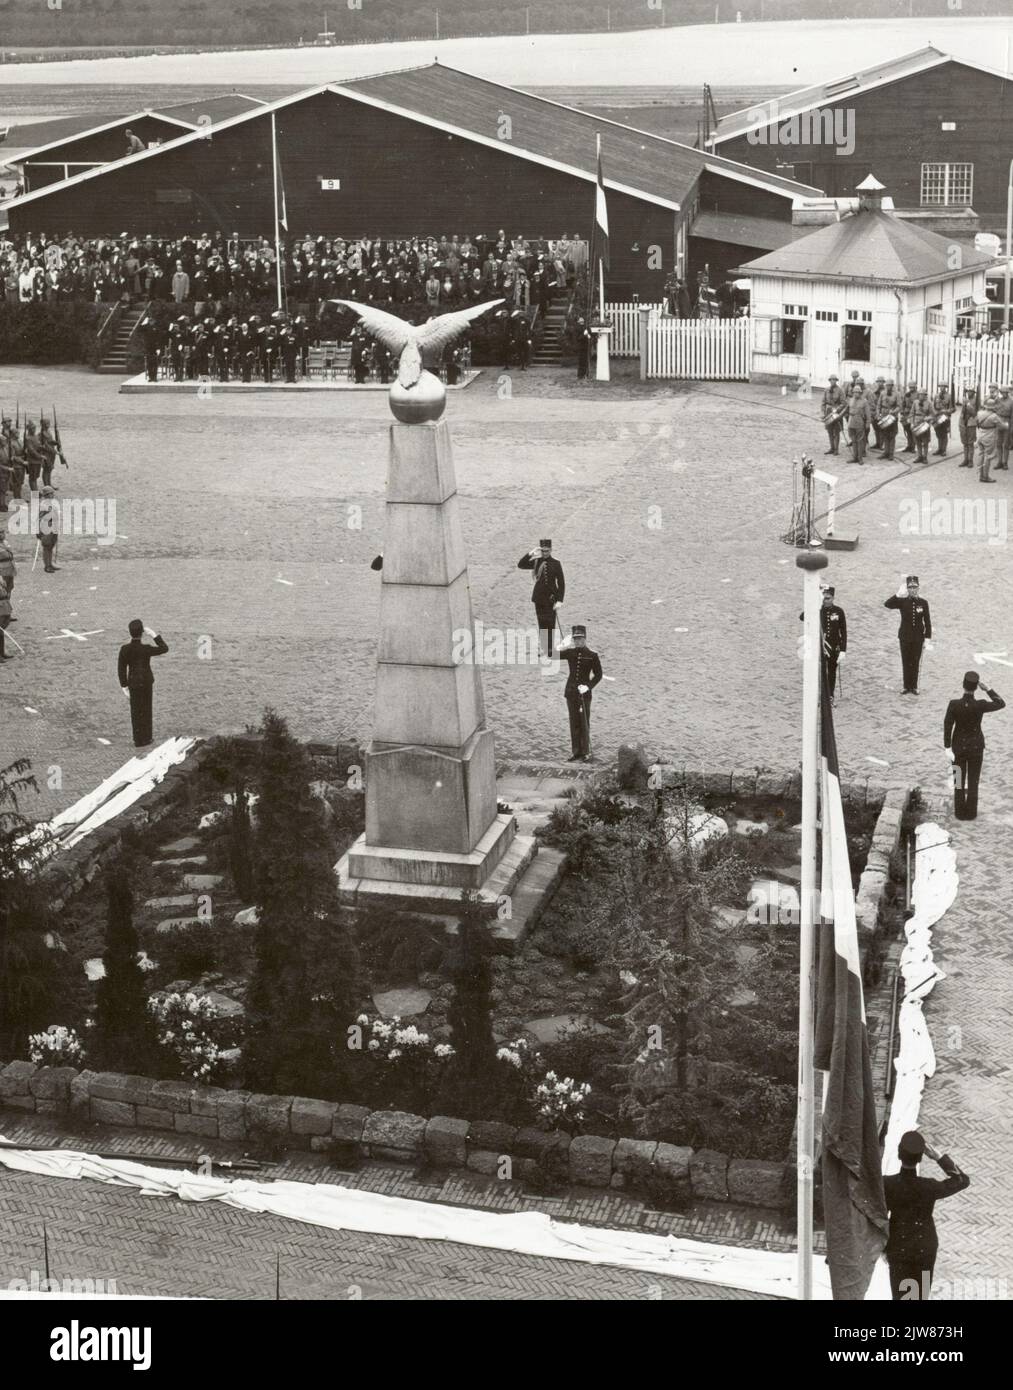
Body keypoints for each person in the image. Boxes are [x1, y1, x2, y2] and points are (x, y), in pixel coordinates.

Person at [884, 1130, 970, 1301]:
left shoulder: (887, 1184)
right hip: (925, 1247)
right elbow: (962, 1180)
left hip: (899, 1247)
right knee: (920, 1296)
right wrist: (939, 1158)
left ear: (899, 1154)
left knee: (901, 1296)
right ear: (920, 1158)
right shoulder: (929, 1186)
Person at [943, 671, 1005, 820]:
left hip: (957, 749)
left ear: (963, 685)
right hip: (976, 748)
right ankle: (971, 813)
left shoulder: (954, 704)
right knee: (973, 781)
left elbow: (948, 725)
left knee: (958, 780)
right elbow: (1001, 703)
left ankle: (959, 812)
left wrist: (947, 747)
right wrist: (988, 689)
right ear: (976, 688)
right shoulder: (980, 705)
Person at [117, 618, 170, 747]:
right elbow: (164, 648)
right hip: (146, 681)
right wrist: (154, 635)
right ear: (142, 632)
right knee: (146, 709)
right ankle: (147, 738)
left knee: (135, 711)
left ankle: (138, 739)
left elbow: (121, 668)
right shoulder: (146, 648)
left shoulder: (124, 649)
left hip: (133, 682)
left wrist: (124, 685)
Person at [557, 624, 603, 762]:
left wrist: (588, 686)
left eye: (580, 638)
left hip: (584, 695)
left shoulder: (592, 656)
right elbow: (549, 655)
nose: (578, 641)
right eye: (575, 639)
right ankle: (576, 752)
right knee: (574, 722)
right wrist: (560, 646)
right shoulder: (570, 653)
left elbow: (598, 675)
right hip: (571, 693)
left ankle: (585, 753)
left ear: (585, 638)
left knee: (584, 723)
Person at [885, 575, 932, 695]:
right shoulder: (902, 602)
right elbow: (887, 604)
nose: (912, 589)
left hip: (918, 638)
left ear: (918, 587)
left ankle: (914, 686)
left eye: (914, 587)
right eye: (910, 587)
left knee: (915, 662)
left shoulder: (923, 603)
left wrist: (927, 638)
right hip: (905, 637)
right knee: (906, 661)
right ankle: (906, 686)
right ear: (907, 589)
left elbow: (927, 621)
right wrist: (897, 594)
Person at [518, 539, 565, 657]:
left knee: (551, 623)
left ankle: (550, 649)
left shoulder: (556, 563)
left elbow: (561, 583)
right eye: (543, 551)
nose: (545, 553)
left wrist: (560, 600)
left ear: (551, 550)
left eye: (547, 551)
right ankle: (544, 649)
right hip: (539, 598)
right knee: (542, 623)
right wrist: (531, 553)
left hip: (551, 598)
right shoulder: (536, 561)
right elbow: (520, 565)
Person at [799, 584, 847, 698]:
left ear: (833, 598)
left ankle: (830, 696)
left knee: (831, 672)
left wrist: (843, 650)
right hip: (820, 647)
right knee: (818, 672)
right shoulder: (817, 610)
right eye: (824, 598)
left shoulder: (839, 611)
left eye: (828, 598)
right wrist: (813, 604)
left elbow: (844, 631)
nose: (826, 601)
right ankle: (818, 696)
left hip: (834, 647)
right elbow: (802, 617)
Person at [974, 393, 1001, 482]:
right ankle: (985, 476)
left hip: (981, 434)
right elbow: (1002, 426)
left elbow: (977, 422)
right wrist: (1007, 424)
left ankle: (980, 475)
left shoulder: (979, 413)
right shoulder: (994, 416)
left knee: (981, 454)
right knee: (988, 456)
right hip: (989, 436)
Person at [36, 485, 60, 572]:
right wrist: (38, 531)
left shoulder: (53, 503)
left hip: (53, 527)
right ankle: (47, 566)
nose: (53, 495)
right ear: (46, 495)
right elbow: (39, 519)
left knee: (51, 546)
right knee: (47, 547)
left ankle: (50, 564)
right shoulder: (43, 505)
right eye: (51, 493)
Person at [821, 374, 845, 455]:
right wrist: (823, 412)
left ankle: (836, 449)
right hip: (828, 412)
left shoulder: (840, 390)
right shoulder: (826, 390)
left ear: (836, 381)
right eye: (831, 380)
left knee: (836, 431)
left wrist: (837, 409)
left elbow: (843, 403)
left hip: (837, 413)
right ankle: (831, 448)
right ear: (829, 380)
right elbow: (823, 402)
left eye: (834, 380)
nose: (833, 381)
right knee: (830, 431)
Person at [847, 383, 871, 463]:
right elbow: (846, 410)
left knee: (860, 441)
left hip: (859, 422)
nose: (856, 393)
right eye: (854, 392)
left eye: (857, 392)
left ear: (860, 393)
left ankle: (860, 458)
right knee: (853, 441)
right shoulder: (850, 400)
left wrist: (868, 423)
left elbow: (868, 414)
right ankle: (855, 457)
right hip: (851, 422)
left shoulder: (864, 401)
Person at [877, 380, 900, 461]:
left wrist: (893, 411)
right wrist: (878, 415)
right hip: (884, 415)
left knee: (892, 435)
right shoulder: (882, 393)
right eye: (887, 385)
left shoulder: (897, 394)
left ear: (892, 386)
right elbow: (878, 405)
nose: (888, 387)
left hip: (892, 417)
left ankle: (891, 454)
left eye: (890, 385)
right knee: (885, 435)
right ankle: (885, 452)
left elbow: (899, 406)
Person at [910, 389, 933, 464]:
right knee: (917, 441)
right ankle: (919, 456)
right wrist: (912, 423)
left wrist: (928, 419)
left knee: (925, 442)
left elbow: (932, 414)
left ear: (925, 395)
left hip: (924, 424)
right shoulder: (915, 402)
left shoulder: (929, 403)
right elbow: (912, 413)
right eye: (920, 394)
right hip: (916, 422)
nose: (921, 396)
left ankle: (925, 457)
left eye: (923, 394)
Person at [931, 381, 953, 456]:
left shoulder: (949, 396)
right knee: (938, 433)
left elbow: (953, 409)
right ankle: (939, 448)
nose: (942, 388)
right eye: (941, 386)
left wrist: (946, 411)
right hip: (937, 417)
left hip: (945, 417)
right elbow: (933, 407)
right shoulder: (936, 396)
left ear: (946, 387)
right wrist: (934, 413)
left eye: (943, 386)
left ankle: (944, 450)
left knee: (944, 434)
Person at [957, 387, 977, 467]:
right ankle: (965, 459)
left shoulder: (976, 401)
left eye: (970, 391)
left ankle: (970, 460)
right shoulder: (965, 399)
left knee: (970, 443)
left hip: (971, 423)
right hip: (963, 423)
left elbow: (975, 413)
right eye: (968, 391)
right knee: (965, 443)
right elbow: (962, 412)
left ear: (974, 392)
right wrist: (960, 424)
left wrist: (968, 404)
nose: (969, 393)